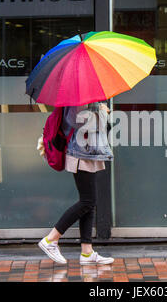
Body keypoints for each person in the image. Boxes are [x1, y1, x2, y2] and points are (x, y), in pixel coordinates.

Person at [38, 102, 114, 265]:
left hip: (87, 153)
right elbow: (76, 121)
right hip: (80, 154)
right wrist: (102, 113)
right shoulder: (76, 97)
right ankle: (51, 239)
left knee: (89, 202)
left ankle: (87, 252)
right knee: (87, 201)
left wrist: (99, 110)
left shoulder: (86, 96)